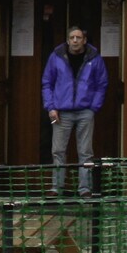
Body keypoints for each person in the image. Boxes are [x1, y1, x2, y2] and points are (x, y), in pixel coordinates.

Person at [42, 23, 108, 195]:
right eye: (72, 38)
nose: (75, 41)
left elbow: (102, 84)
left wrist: (94, 107)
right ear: (67, 40)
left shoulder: (94, 58)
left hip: (85, 111)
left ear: (84, 40)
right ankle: (57, 188)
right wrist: (51, 107)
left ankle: (85, 189)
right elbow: (47, 83)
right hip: (60, 111)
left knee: (85, 151)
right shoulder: (56, 56)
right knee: (58, 151)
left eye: (78, 38)